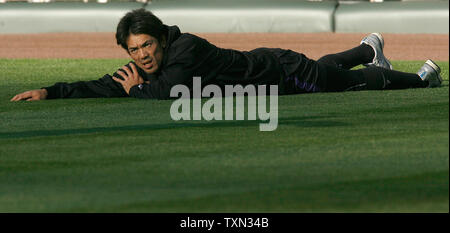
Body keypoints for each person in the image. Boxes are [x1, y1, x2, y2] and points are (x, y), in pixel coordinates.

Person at [10, 8, 442, 102]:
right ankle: (369, 48)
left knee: (339, 82)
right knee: (327, 72)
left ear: (161, 38)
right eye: (134, 50)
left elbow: (171, 91)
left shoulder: (186, 49)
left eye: (147, 46)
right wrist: (52, 90)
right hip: (269, 66)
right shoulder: (150, 65)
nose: (141, 56)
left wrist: (139, 90)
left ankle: (422, 79)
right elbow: (110, 83)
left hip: (280, 72)